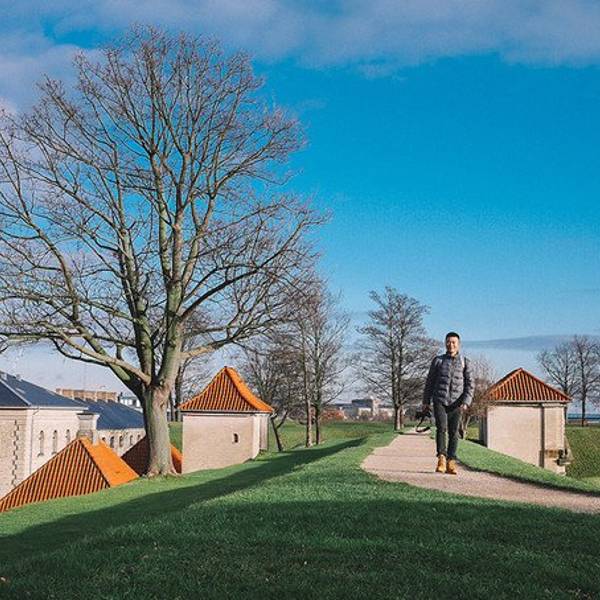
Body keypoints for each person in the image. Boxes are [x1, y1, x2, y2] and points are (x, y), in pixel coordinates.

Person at [421, 331, 474, 475]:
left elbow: (470, 385)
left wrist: (466, 402)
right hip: (440, 400)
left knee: (454, 432)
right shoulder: (438, 361)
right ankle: (441, 459)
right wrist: (426, 401)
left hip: (457, 403)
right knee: (441, 428)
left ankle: (451, 461)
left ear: (459, 345)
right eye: (448, 342)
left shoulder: (465, 362)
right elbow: (429, 382)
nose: (451, 345)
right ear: (445, 343)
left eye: (454, 342)